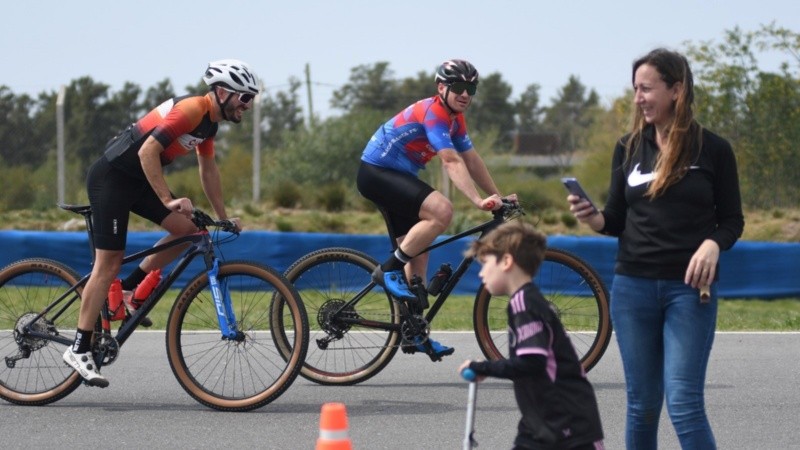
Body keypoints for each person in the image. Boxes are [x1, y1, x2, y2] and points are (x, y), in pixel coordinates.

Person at [567, 48, 744, 449]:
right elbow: (614, 219)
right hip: (632, 288)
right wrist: (593, 217)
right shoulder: (627, 147)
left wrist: (714, 245)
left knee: (683, 402)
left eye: (647, 88)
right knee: (642, 405)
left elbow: (733, 220)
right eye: (635, 89)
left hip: (689, 291)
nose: (638, 98)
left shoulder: (713, 149)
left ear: (676, 90)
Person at [63, 59, 261, 387]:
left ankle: (127, 290)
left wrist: (222, 217)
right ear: (223, 92)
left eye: (251, 99)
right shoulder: (193, 109)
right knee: (107, 264)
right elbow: (147, 152)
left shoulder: (208, 124)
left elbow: (208, 171)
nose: (249, 106)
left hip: (136, 181)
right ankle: (79, 347)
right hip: (113, 178)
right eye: (244, 98)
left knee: (188, 232)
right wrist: (169, 199)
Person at [357, 59, 516, 358]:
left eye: (471, 89)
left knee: (418, 260)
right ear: (441, 87)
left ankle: (414, 332)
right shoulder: (435, 113)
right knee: (442, 210)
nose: (465, 94)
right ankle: (388, 270)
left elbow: (471, 159)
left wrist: (497, 196)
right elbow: (451, 161)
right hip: (377, 173)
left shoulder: (456, 119)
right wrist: (478, 202)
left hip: (398, 177)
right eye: (458, 87)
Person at [458, 221, 605, 450]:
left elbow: (532, 362)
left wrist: (483, 367)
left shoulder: (525, 304)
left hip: (569, 425)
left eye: (485, 264)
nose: (481, 273)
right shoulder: (524, 301)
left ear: (506, 261)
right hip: (540, 421)